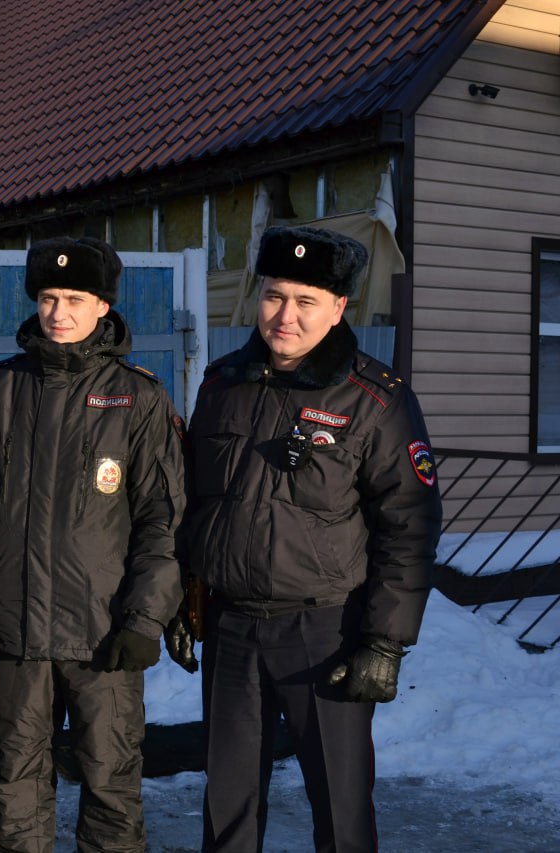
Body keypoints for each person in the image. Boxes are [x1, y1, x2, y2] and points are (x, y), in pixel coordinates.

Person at [167, 225, 442, 852]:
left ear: (339, 306)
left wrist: (386, 643)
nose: (284, 316)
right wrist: (182, 596)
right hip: (232, 628)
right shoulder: (223, 383)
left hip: (324, 634)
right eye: (274, 296)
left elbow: (410, 524)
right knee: (227, 806)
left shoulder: (374, 399)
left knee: (341, 809)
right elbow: (195, 502)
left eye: (306, 301)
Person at [0, 236, 186, 852]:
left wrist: (146, 618)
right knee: (14, 787)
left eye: (74, 298)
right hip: (15, 632)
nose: (58, 312)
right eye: (47, 297)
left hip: (103, 635)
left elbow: (163, 520)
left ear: (103, 307)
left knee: (110, 787)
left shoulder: (138, 398)